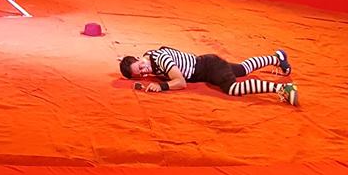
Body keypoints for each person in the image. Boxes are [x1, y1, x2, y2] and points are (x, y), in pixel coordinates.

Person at [119, 45, 298, 105]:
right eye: (140, 74)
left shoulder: (159, 59)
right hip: (207, 65)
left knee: (232, 89)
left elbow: (180, 82)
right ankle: (277, 58)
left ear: (138, 57)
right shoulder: (148, 56)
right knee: (243, 69)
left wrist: (162, 86)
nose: (145, 71)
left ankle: (282, 88)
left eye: (141, 66)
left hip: (209, 67)